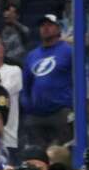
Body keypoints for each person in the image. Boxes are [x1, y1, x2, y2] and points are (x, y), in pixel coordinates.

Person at [22, 14, 74, 147]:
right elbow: (26, 85)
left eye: (50, 25)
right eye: (42, 25)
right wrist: (28, 106)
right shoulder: (32, 55)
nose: (45, 28)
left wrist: (71, 105)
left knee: (62, 156)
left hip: (60, 112)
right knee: (36, 158)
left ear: (59, 29)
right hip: (36, 115)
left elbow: (81, 80)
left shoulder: (69, 52)